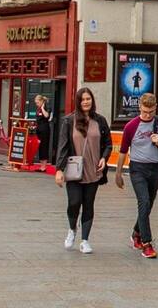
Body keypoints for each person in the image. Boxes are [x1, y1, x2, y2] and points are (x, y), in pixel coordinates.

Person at [53, 88, 112, 255]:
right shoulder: (69, 120)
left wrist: (104, 158)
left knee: (88, 205)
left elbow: (108, 143)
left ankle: (85, 240)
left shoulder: (100, 120)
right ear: (78, 102)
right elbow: (63, 147)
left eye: (89, 99)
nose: (86, 102)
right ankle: (72, 229)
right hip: (74, 171)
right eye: (83, 99)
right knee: (74, 202)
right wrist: (59, 170)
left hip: (93, 171)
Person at [121, 93, 158, 259]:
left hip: (155, 168)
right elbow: (123, 151)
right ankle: (147, 243)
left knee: (149, 204)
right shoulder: (131, 126)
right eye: (145, 111)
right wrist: (117, 174)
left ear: (155, 108)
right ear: (140, 108)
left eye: (151, 112)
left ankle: (136, 233)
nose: (147, 115)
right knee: (143, 201)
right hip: (137, 168)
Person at [31, 94, 54, 166]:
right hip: (39, 129)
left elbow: (47, 116)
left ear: (41, 101)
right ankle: (41, 165)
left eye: (37, 102)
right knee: (40, 146)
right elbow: (38, 118)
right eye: (36, 103)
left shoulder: (47, 107)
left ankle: (44, 165)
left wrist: (43, 108)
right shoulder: (38, 108)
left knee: (44, 146)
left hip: (45, 129)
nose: (36, 104)